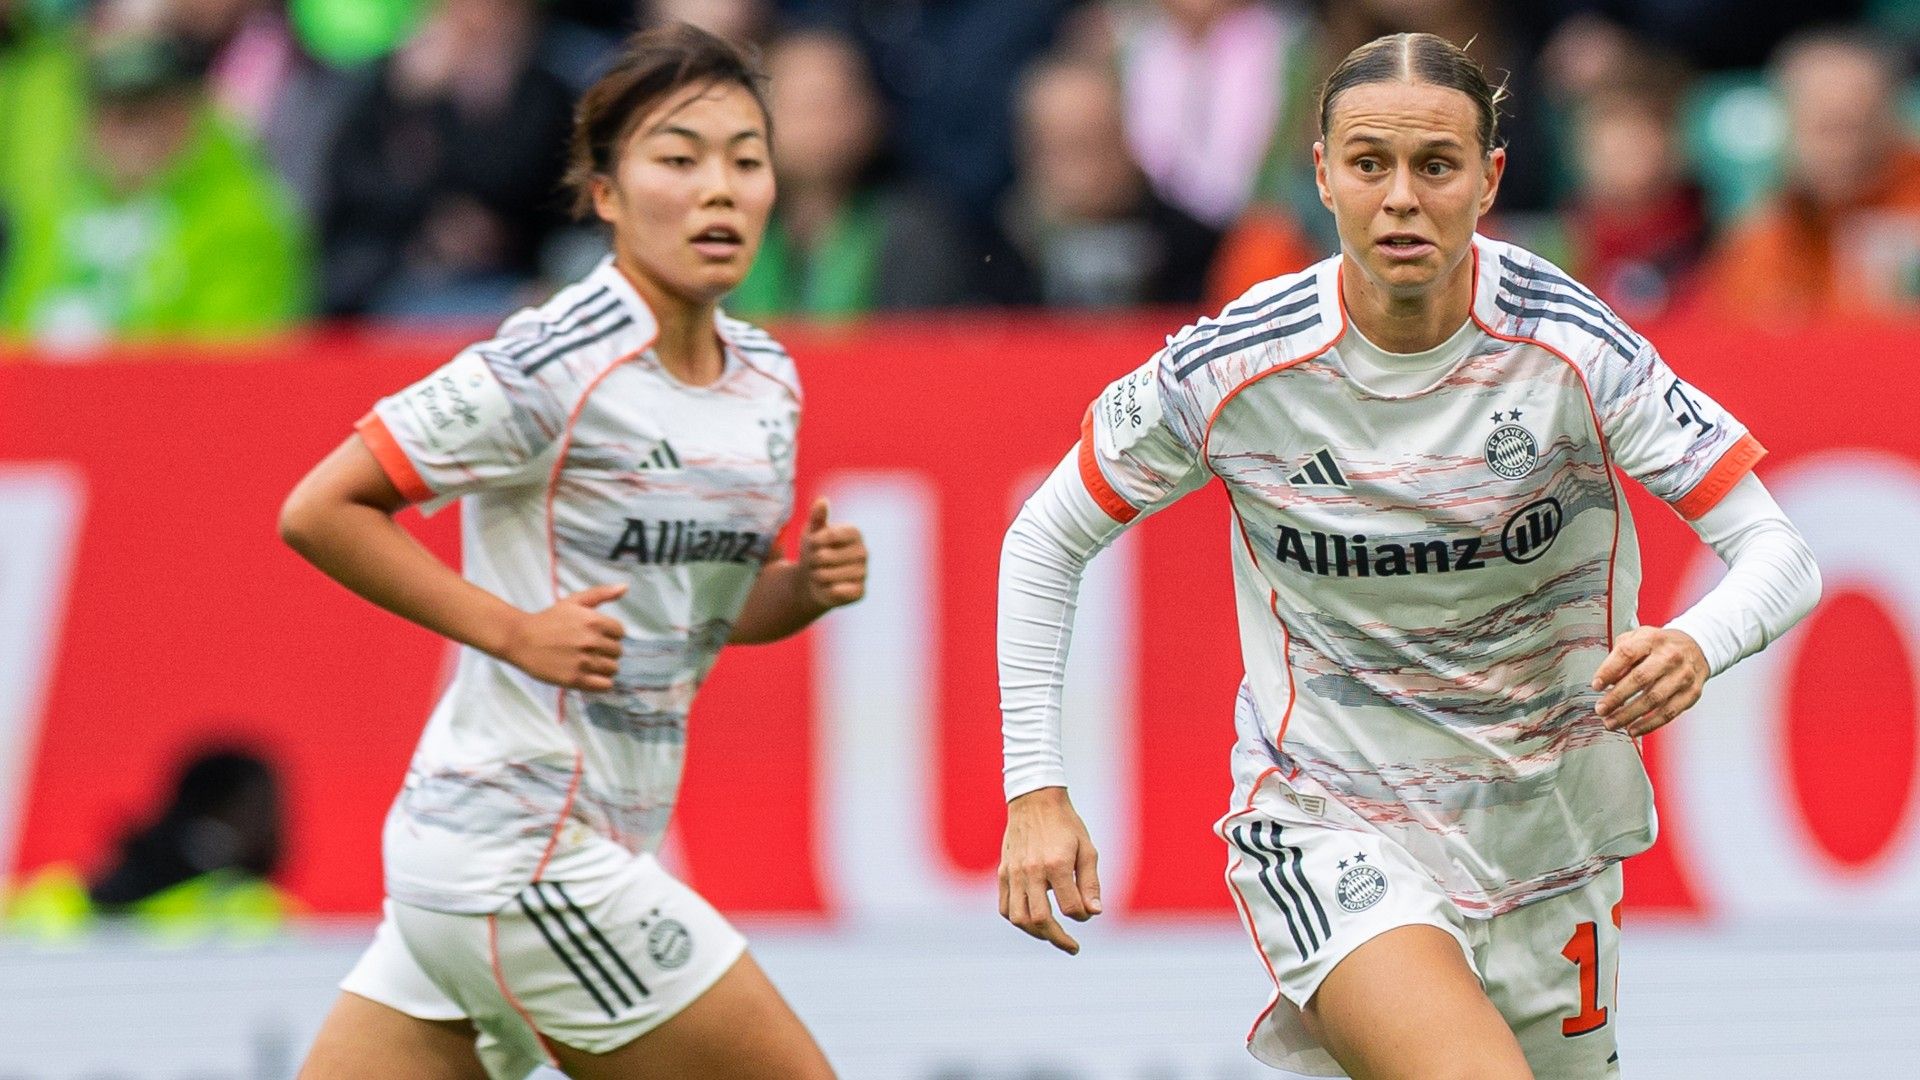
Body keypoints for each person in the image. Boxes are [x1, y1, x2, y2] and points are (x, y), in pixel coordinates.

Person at [996, 32, 1819, 1080]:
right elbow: (1046, 534)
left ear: (1489, 180)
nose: (1400, 198)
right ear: (1323, 176)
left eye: (1435, 166)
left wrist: (1699, 644)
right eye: (1370, 163)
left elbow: (1777, 551)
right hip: (1334, 825)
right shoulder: (1241, 361)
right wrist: (1036, 790)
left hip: (1549, 850)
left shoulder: (1569, 345)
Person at [281, 24, 862, 1080]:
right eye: (678, 160)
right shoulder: (548, 362)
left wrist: (800, 592)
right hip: (526, 846)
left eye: (746, 158)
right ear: (604, 193)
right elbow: (321, 509)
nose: (719, 189)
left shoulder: (768, 381)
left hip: (503, 865)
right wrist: (514, 632)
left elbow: (704, 621)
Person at [0, 27, 309, 346]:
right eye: (118, 111)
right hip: (47, 392)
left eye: (153, 109)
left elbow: (232, 362)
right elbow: (16, 332)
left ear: (192, 111)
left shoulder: (243, 219)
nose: (133, 131)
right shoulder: (54, 213)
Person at [726, 27, 974, 318]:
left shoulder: (915, 236)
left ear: (871, 114)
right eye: (801, 106)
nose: (818, 124)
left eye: (833, 103)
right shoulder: (716, 226)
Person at [1703, 27, 1920, 320]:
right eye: (1823, 129)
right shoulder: (1770, 229)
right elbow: (1729, 329)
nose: (1841, 150)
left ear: (1888, 121)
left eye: (1853, 126)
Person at [980, 51, 1218, 308]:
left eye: (1100, 144)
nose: (1088, 174)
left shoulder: (1196, 254)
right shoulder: (995, 259)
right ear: (1029, 155)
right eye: (1067, 149)